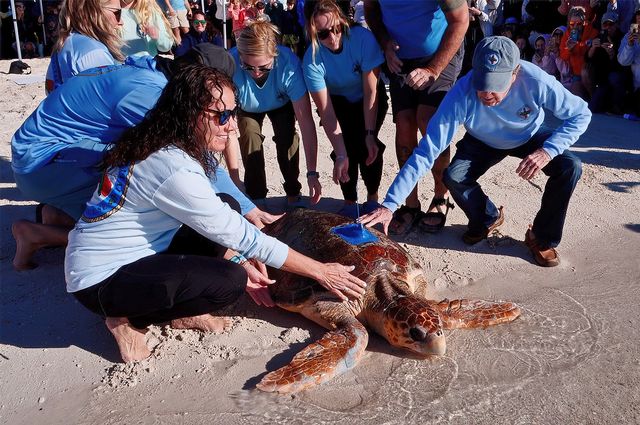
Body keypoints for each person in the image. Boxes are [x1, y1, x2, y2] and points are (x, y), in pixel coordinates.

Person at [65, 64, 367, 363]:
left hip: (130, 250)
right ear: (188, 115)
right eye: (222, 116)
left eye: (233, 113)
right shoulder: (173, 169)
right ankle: (129, 321)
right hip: (100, 280)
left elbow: (222, 218)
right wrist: (321, 271)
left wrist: (234, 252)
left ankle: (178, 309)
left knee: (228, 203)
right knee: (228, 282)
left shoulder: (160, 139)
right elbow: (247, 239)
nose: (233, 126)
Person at [11, 44, 272, 270]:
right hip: (42, 165)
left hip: (49, 157)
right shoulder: (151, 96)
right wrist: (248, 209)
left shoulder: (154, 70)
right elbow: (192, 159)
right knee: (147, 223)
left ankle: (58, 216)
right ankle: (37, 234)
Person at [361, 36, 591, 267]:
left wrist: (548, 151)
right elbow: (426, 151)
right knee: (453, 176)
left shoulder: (536, 80)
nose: (486, 92)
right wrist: (390, 204)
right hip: (482, 140)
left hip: (529, 134)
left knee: (570, 166)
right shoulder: (462, 92)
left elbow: (581, 114)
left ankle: (541, 237)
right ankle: (487, 216)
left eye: (496, 83)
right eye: (482, 82)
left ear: (515, 73)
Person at [364, 0, 469, 235]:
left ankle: (441, 196)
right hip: (400, 57)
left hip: (441, 51)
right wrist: (385, 44)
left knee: (428, 120)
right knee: (404, 124)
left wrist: (433, 69)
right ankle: (410, 203)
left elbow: (461, 20)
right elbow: (371, 10)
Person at [303, 0, 388, 217]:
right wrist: (340, 152)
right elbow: (326, 111)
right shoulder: (311, 59)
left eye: (336, 29)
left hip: (367, 98)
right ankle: (350, 200)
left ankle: (372, 197)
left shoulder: (362, 39)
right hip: (338, 101)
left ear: (343, 22)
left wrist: (369, 133)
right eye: (323, 34)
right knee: (345, 150)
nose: (332, 38)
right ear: (313, 33)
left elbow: (372, 92)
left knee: (368, 146)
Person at [230, 22, 326, 209]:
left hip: (280, 102)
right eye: (248, 67)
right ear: (240, 56)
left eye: (264, 67)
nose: (256, 73)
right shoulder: (230, 64)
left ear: (274, 56)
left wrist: (312, 173)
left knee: (287, 136)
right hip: (246, 106)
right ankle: (256, 196)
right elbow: (228, 130)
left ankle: (293, 191)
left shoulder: (288, 63)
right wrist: (234, 179)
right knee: (249, 136)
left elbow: (306, 122)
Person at [45, 0, 124, 93]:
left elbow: (49, 90)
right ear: (92, 12)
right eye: (117, 13)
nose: (121, 22)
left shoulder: (66, 44)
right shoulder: (95, 54)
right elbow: (109, 99)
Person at [559, 6, 598, 99]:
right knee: (576, 98)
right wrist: (568, 49)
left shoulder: (592, 32)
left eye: (579, 24)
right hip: (576, 74)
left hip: (591, 72)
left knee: (585, 73)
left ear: (584, 22)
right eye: (572, 24)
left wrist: (578, 46)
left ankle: (594, 98)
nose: (575, 27)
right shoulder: (567, 35)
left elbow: (590, 51)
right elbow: (563, 56)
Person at [617, 8, 640, 119]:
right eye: (638, 24)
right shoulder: (628, 37)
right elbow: (623, 61)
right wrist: (630, 45)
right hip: (636, 85)